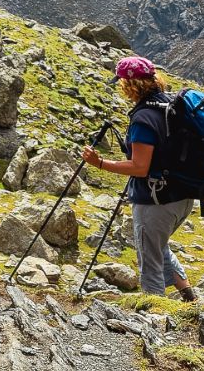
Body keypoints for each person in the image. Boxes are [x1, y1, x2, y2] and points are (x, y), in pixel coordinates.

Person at [82, 55, 198, 301]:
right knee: (157, 247)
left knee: (150, 262)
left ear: (130, 84)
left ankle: (155, 315)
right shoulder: (171, 105)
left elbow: (140, 167)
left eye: (122, 83)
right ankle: (189, 297)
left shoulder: (144, 118)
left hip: (157, 202)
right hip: (184, 196)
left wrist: (100, 163)